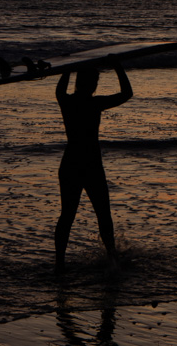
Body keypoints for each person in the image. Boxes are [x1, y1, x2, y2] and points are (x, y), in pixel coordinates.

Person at [54, 61, 132, 275]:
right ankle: (112, 259)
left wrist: (67, 68)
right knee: (103, 214)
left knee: (67, 215)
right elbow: (127, 93)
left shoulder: (67, 102)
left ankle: (59, 264)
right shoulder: (94, 104)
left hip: (70, 162)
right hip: (90, 164)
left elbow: (60, 90)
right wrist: (118, 66)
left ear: (77, 82)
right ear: (94, 85)